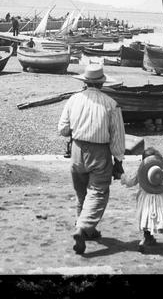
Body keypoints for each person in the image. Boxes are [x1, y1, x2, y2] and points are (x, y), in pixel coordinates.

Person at [57, 63, 126, 255]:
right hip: (100, 153)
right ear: (102, 84)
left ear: (85, 82)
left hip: (77, 152)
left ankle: (88, 229)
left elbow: (62, 129)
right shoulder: (111, 104)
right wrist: (118, 161)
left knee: (82, 194)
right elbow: (117, 138)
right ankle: (82, 228)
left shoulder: (73, 100)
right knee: (98, 192)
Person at [120, 146, 163, 252]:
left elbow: (130, 182)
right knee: (154, 217)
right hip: (158, 198)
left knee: (145, 217)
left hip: (145, 199)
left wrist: (123, 177)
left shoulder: (141, 171)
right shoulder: (160, 171)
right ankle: (149, 238)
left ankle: (147, 237)